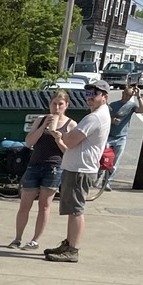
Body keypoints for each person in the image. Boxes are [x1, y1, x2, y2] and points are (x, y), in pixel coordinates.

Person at [43, 81, 111, 263]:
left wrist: (60, 134)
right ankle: (69, 243)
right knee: (73, 209)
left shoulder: (95, 117)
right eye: (88, 93)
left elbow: (72, 141)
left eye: (95, 93)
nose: (90, 97)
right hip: (78, 167)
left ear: (104, 97)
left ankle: (73, 250)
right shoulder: (98, 115)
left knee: (76, 211)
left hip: (81, 169)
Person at [10, 91, 75, 249]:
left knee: (44, 205)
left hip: (54, 167)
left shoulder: (71, 124)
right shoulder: (40, 120)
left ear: (66, 106)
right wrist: (43, 127)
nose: (57, 107)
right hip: (34, 165)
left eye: (61, 104)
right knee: (25, 203)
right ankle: (17, 238)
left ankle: (35, 240)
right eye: (54, 103)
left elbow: (69, 151)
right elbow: (28, 142)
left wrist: (58, 138)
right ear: (49, 104)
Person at [105, 83, 143, 188]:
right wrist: (112, 120)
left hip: (121, 137)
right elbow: (104, 117)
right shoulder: (113, 105)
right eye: (126, 94)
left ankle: (108, 182)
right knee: (104, 157)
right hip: (109, 136)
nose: (127, 97)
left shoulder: (131, 106)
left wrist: (139, 96)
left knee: (115, 161)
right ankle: (99, 176)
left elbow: (142, 110)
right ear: (122, 93)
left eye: (129, 95)